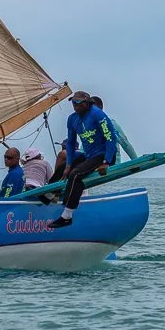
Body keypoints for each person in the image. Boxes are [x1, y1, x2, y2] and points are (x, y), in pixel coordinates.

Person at [50, 90, 116, 229]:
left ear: (87, 103)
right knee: (63, 169)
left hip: (102, 155)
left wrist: (106, 162)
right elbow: (70, 142)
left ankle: (66, 216)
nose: (75, 106)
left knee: (76, 175)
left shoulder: (98, 115)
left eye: (78, 103)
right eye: (73, 103)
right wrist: (68, 164)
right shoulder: (73, 119)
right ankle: (46, 197)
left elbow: (110, 138)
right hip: (89, 155)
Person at [90, 97, 137, 161]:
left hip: (112, 165)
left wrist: (135, 160)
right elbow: (83, 149)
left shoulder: (111, 124)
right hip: (95, 167)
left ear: (100, 108)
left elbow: (125, 143)